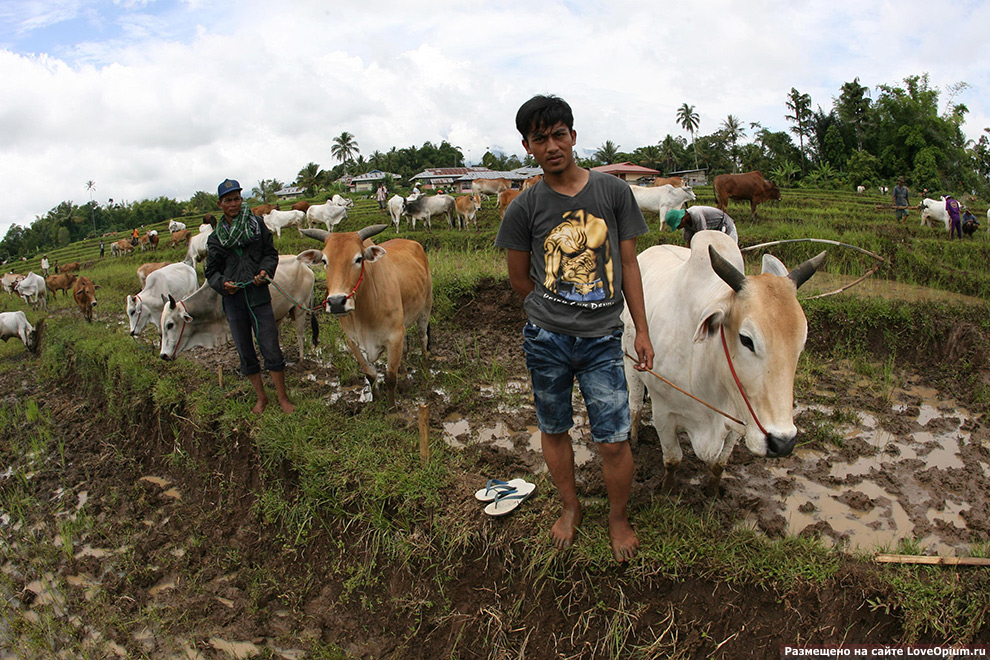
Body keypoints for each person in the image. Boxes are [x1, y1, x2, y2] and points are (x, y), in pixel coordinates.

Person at [494, 94, 654, 563]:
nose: (551, 145)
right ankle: (570, 507)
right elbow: (519, 278)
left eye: (558, 134)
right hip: (547, 340)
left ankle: (617, 517)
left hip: (604, 337)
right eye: (539, 139)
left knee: (612, 438)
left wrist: (640, 331)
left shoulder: (612, 193)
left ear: (573, 136)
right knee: (554, 425)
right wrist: (550, 313)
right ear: (527, 146)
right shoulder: (523, 208)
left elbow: (628, 263)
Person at [205, 178, 295, 415]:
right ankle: (261, 398)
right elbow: (211, 271)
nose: (233, 204)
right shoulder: (215, 239)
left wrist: (265, 272)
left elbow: (270, 253)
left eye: (236, 199)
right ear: (220, 204)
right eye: (228, 200)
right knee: (245, 350)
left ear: (241, 200)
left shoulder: (256, 225)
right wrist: (223, 285)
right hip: (233, 302)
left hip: (258, 296)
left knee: (271, 347)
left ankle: (283, 398)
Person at [664, 206, 738, 246]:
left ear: (683, 218)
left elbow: (703, 237)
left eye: (677, 225)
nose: (678, 228)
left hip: (726, 228)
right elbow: (688, 241)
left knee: (730, 253)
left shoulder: (696, 214)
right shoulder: (686, 225)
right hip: (715, 232)